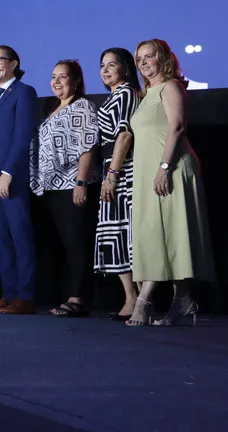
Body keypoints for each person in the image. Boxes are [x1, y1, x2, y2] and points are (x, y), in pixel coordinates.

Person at [126, 39, 215, 327]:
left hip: (172, 169)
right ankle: (183, 301)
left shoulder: (171, 86)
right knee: (162, 233)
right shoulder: (147, 92)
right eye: (139, 58)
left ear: (163, 58)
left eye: (149, 56)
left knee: (171, 233)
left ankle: (144, 302)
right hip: (149, 172)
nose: (143, 62)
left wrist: (164, 168)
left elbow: (176, 127)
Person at [30, 60, 101, 317]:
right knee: (64, 244)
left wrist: (81, 183)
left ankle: (78, 298)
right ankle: (67, 295)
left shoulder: (83, 107)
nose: (57, 82)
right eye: (53, 77)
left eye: (63, 77)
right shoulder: (52, 110)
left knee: (77, 242)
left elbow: (88, 145)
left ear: (76, 81)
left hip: (74, 183)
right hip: (52, 187)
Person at [0, 45, 38, 315]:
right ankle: (8, 294)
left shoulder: (24, 93)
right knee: (2, 240)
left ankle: (25, 296)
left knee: (20, 238)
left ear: (14, 63)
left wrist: (8, 172)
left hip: (12, 179)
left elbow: (23, 136)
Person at [93, 48, 141, 321]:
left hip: (123, 170)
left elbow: (124, 136)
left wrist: (112, 175)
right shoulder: (114, 95)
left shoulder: (125, 93)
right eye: (102, 65)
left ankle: (137, 299)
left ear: (125, 68)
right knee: (115, 233)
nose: (106, 69)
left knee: (126, 234)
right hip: (111, 168)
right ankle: (131, 298)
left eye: (112, 64)